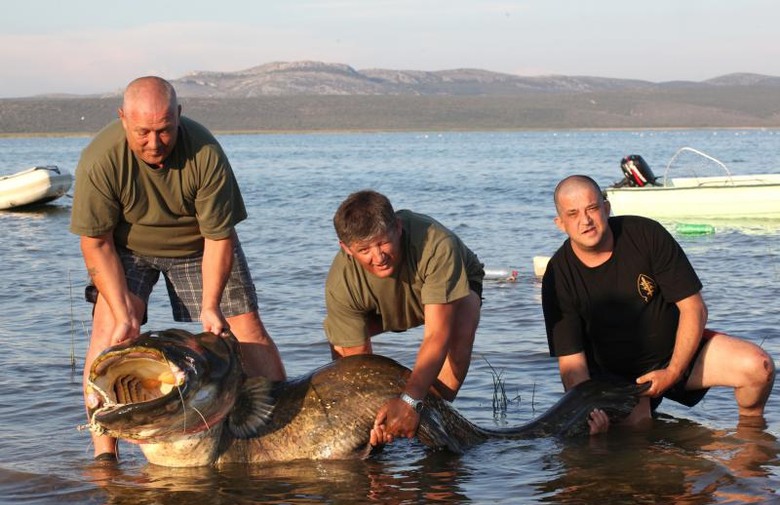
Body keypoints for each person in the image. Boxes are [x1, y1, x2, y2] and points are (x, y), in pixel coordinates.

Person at [70, 76, 286, 461]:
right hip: (128, 247)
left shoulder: (205, 152)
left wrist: (210, 306)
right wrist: (124, 313)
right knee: (108, 331)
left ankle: (282, 428)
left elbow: (218, 238)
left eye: (165, 130)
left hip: (196, 245)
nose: (155, 143)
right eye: (143, 132)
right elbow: (96, 243)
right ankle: (105, 456)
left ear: (179, 116)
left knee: (246, 329)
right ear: (123, 119)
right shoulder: (100, 159)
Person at [542, 175, 775, 434]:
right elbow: (572, 363)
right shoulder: (558, 275)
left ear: (606, 208)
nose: (585, 220)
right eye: (573, 214)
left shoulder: (645, 234)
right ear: (560, 223)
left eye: (592, 208)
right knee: (636, 432)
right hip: (616, 380)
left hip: (675, 354)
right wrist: (587, 414)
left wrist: (673, 371)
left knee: (758, 367)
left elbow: (694, 308)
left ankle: (752, 435)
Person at [324, 190, 484, 446]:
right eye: (364, 249)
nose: (378, 257)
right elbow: (358, 367)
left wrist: (410, 401)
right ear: (347, 249)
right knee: (342, 344)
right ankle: (386, 425)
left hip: (449, 294)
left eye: (382, 243)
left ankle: (431, 412)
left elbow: (437, 335)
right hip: (383, 309)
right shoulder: (341, 281)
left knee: (460, 329)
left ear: (398, 228)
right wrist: (371, 418)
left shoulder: (437, 245)